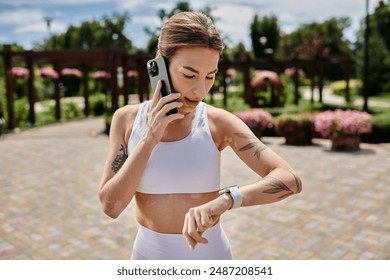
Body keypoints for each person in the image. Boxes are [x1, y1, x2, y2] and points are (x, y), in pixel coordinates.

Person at [98, 11, 302, 260]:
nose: (200, 90)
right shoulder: (127, 120)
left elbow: (290, 180)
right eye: (189, 74)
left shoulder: (218, 122)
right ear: (159, 66)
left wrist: (227, 200)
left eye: (210, 76)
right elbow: (111, 207)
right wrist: (149, 138)